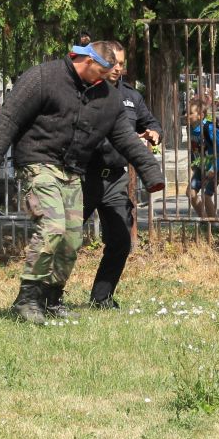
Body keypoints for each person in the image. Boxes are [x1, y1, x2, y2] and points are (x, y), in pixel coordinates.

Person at [0, 41, 165, 324]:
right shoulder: (43, 77)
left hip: (72, 170)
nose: (107, 77)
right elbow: (8, 119)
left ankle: (51, 298)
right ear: (87, 61)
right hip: (38, 162)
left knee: (72, 238)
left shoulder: (108, 97)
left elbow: (125, 137)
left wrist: (151, 173)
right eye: (102, 71)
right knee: (52, 226)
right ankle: (27, 298)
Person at [82, 42, 163, 309]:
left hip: (115, 178)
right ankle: (50, 295)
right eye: (113, 63)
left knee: (120, 239)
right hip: (86, 176)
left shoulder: (131, 96)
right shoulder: (86, 91)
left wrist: (154, 133)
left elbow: (151, 122)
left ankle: (102, 297)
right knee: (65, 238)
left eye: (121, 64)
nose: (117, 68)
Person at [185, 95, 219, 219]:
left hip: (217, 165)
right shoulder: (190, 128)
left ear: (201, 115)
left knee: (207, 196)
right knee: (191, 193)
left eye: (190, 113)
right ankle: (205, 221)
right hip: (202, 166)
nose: (186, 115)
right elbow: (193, 148)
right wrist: (193, 164)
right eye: (186, 113)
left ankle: (214, 225)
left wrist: (213, 169)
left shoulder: (209, 129)